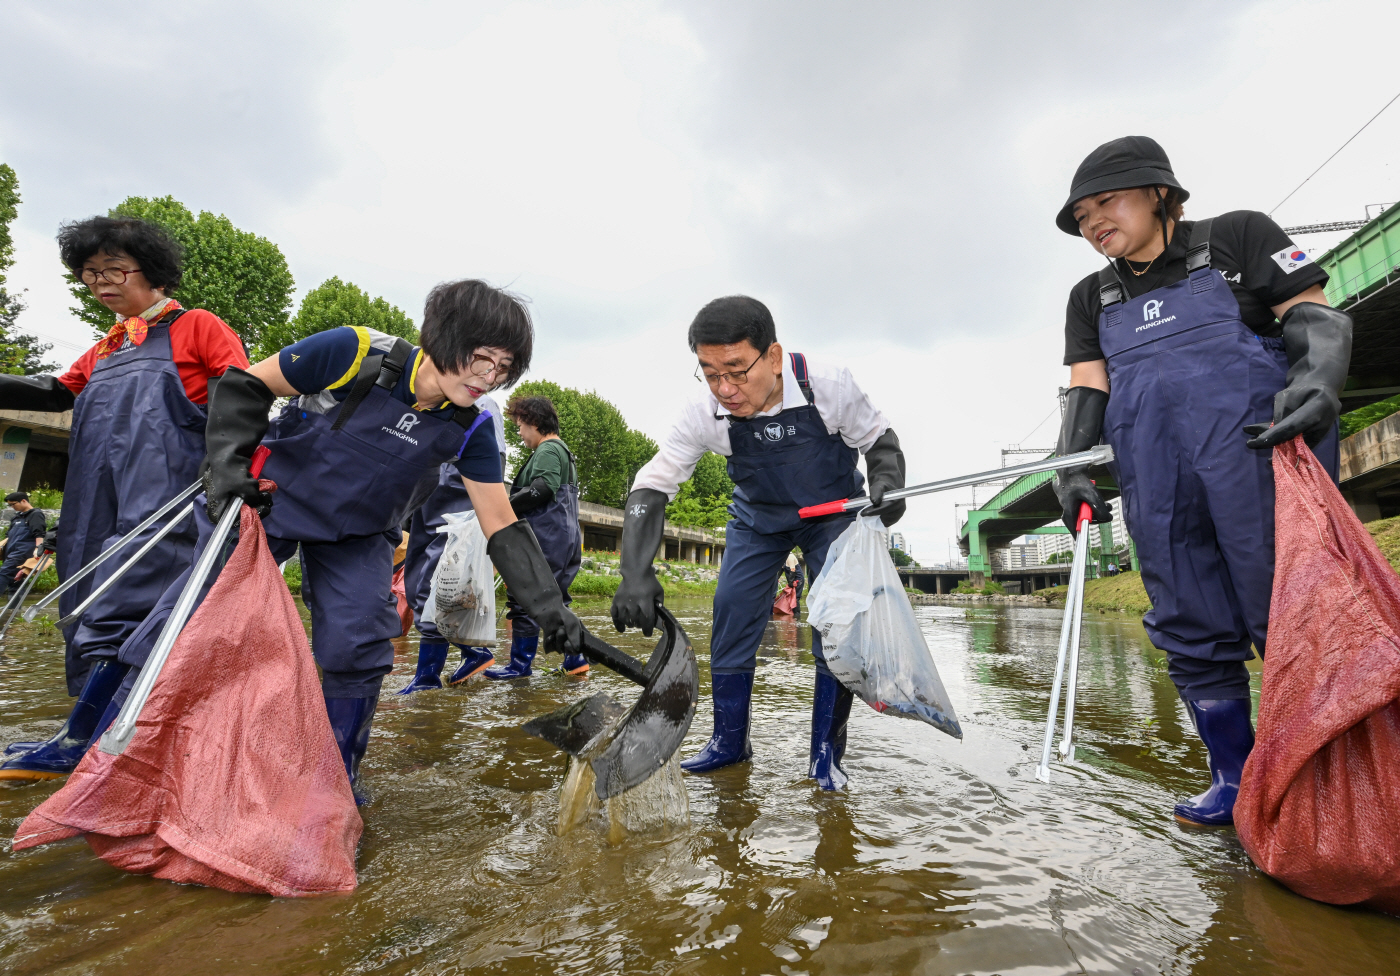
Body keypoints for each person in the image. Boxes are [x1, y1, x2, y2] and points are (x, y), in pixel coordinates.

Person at [110, 279, 584, 801]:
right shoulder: (354, 352)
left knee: (360, 639)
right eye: (481, 359)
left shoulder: (471, 429)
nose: (489, 379)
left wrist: (550, 609)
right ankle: (99, 737)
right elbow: (246, 384)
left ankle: (335, 782)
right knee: (194, 614)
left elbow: (500, 522)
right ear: (442, 338)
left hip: (359, 533)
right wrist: (226, 468)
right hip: (270, 503)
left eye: (503, 369)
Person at [1052, 136, 1349, 826]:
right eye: (1082, 216)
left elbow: (1312, 311)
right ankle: (1236, 780)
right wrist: (1070, 466)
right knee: (1186, 618)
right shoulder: (1090, 297)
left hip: (1255, 461)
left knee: (1287, 609)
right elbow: (1087, 389)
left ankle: (1324, 783)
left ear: (1161, 193)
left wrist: (1318, 379)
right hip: (1156, 480)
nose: (1094, 222)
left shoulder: (1239, 239)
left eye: (1107, 203)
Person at [611, 296, 906, 790]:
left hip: (831, 515)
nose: (724, 389)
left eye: (736, 370)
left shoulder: (827, 386)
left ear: (772, 357)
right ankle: (729, 743)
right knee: (730, 608)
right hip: (757, 518)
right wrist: (635, 572)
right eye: (709, 373)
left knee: (835, 626)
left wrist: (888, 482)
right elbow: (652, 485)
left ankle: (825, 756)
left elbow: (879, 441)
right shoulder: (703, 411)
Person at [0, 216, 248, 781]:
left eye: (115, 269)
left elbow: (240, 391)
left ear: (152, 272)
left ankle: (83, 739)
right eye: (90, 274)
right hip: (95, 498)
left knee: (123, 604)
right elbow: (54, 393)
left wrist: (226, 469)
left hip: (164, 496)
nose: (102, 283)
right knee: (82, 595)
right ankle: (102, 730)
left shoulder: (199, 327)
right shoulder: (104, 349)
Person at [395, 394, 507, 694]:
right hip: (432, 474)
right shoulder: (432, 390)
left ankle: (431, 674)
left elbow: (492, 461)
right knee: (419, 572)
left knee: (436, 577)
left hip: (457, 475)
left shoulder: (483, 405)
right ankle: (461, 658)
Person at [485, 394, 584, 678]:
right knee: (556, 601)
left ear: (534, 422)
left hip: (546, 538)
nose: (518, 432)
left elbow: (543, 488)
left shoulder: (548, 450)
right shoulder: (562, 451)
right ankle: (575, 660)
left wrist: (503, 505)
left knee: (525, 598)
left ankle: (519, 665)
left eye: (520, 425)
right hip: (562, 539)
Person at [1, 492, 47, 593]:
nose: (12, 507)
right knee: (15, 582)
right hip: (10, 552)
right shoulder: (17, 517)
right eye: (10, 505)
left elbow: (39, 533)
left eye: (13, 504)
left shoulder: (35, 514)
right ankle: (13, 608)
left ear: (23, 501)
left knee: (3, 574)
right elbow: (8, 536)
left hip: (22, 553)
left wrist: (38, 549)